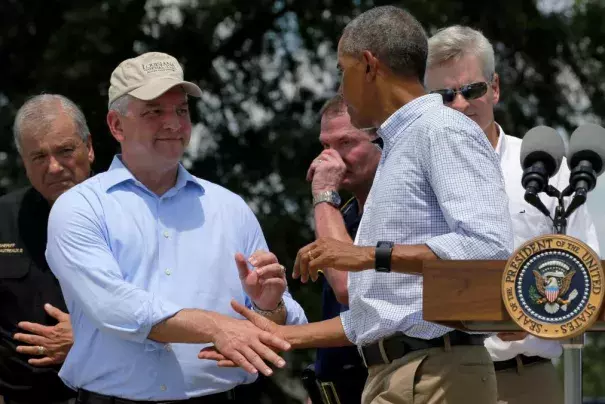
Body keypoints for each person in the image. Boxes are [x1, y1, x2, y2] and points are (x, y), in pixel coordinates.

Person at [200, 6, 515, 404]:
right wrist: (278, 336)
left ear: (368, 65)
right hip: (400, 373)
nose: (340, 86)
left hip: (434, 374)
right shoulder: (401, 143)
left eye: (341, 70)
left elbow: (488, 249)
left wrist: (367, 255)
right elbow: (381, 315)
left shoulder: (443, 129)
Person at [44, 51, 306, 404]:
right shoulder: (79, 207)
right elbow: (115, 308)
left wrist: (268, 307)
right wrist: (216, 327)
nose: (174, 124)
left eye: (181, 111)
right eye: (154, 112)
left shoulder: (230, 208)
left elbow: (287, 322)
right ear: (116, 125)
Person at [424, 25, 601, 404]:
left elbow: (588, 273)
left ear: (496, 88)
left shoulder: (550, 170)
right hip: (438, 379)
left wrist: (533, 325)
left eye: (472, 90)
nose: (459, 105)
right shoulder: (414, 179)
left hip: (526, 379)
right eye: (443, 96)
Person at [0, 94, 95, 404]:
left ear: (89, 148)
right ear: (23, 162)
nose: (54, 167)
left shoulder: (132, 212)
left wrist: (90, 338)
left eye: (65, 151)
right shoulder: (3, 218)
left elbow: (167, 309)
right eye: (38, 157)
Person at [303, 95, 379, 403]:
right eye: (325, 146)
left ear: (382, 142)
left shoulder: (398, 213)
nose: (330, 159)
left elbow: (350, 287)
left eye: (346, 143)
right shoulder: (342, 215)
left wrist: (323, 194)